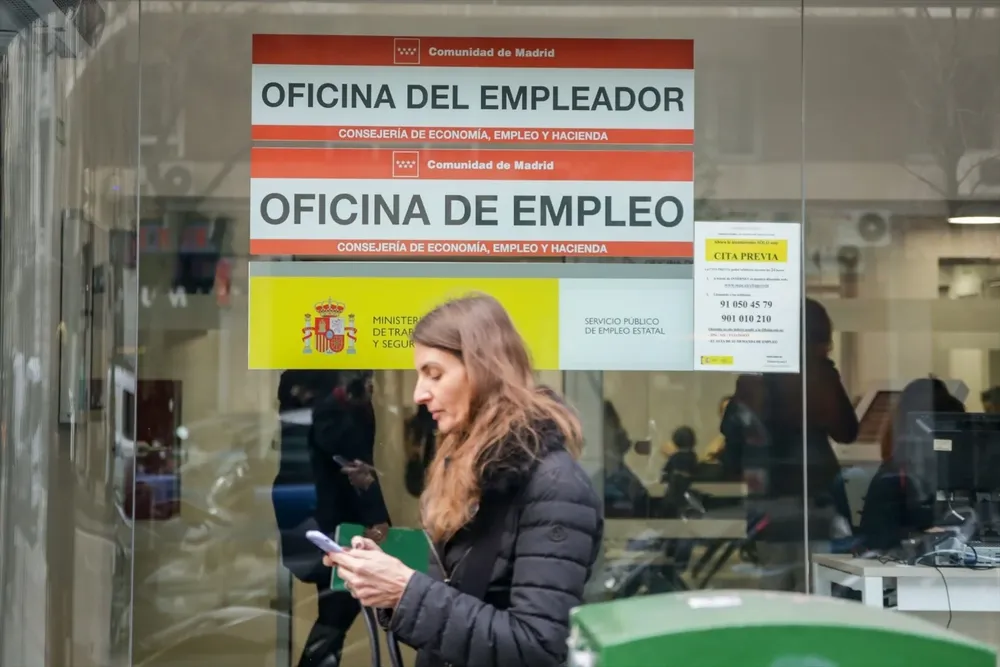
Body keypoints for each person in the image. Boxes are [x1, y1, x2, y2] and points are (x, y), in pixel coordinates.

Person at [325, 294, 603, 667]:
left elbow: (536, 648)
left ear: (484, 371)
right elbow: (463, 611)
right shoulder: (482, 472)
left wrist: (406, 590)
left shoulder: (554, 486)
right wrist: (391, 586)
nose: (419, 395)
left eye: (434, 374)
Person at [299, 371, 391, 667]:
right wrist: (377, 517)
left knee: (338, 608)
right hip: (339, 524)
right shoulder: (335, 411)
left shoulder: (344, 408)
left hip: (341, 520)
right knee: (337, 608)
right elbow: (357, 468)